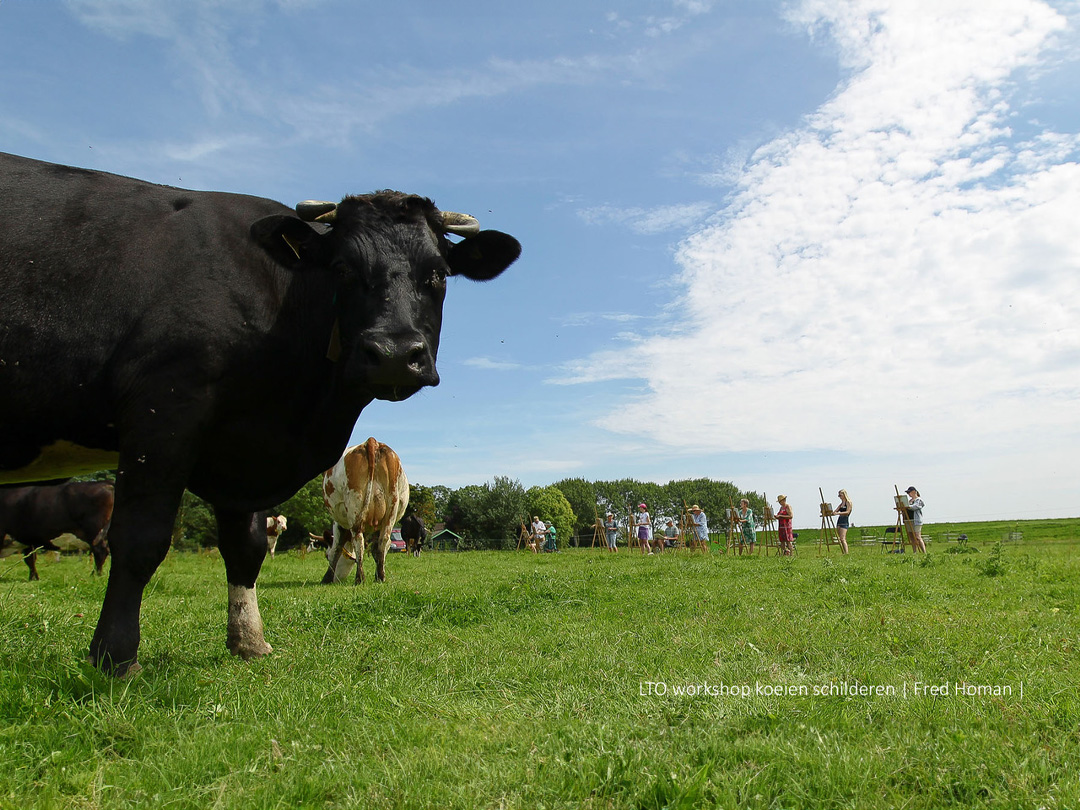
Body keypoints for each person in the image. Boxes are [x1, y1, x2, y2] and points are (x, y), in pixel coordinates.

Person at [905, 486, 926, 553]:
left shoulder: (919, 500)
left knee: (917, 536)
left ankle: (924, 552)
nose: (908, 494)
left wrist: (907, 506)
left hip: (916, 521)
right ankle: (914, 552)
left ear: (914, 492)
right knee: (912, 537)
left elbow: (915, 507)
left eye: (909, 492)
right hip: (909, 520)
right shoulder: (909, 501)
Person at [833, 489, 852, 555]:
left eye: (840, 495)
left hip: (844, 521)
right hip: (839, 520)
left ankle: (846, 553)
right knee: (840, 538)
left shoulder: (848, 502)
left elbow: (847, 512)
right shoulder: (841, 504)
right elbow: (836, 510)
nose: (839, 496)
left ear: (844, 495)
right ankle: (843, 552)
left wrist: (838, 513)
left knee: (843, 538)